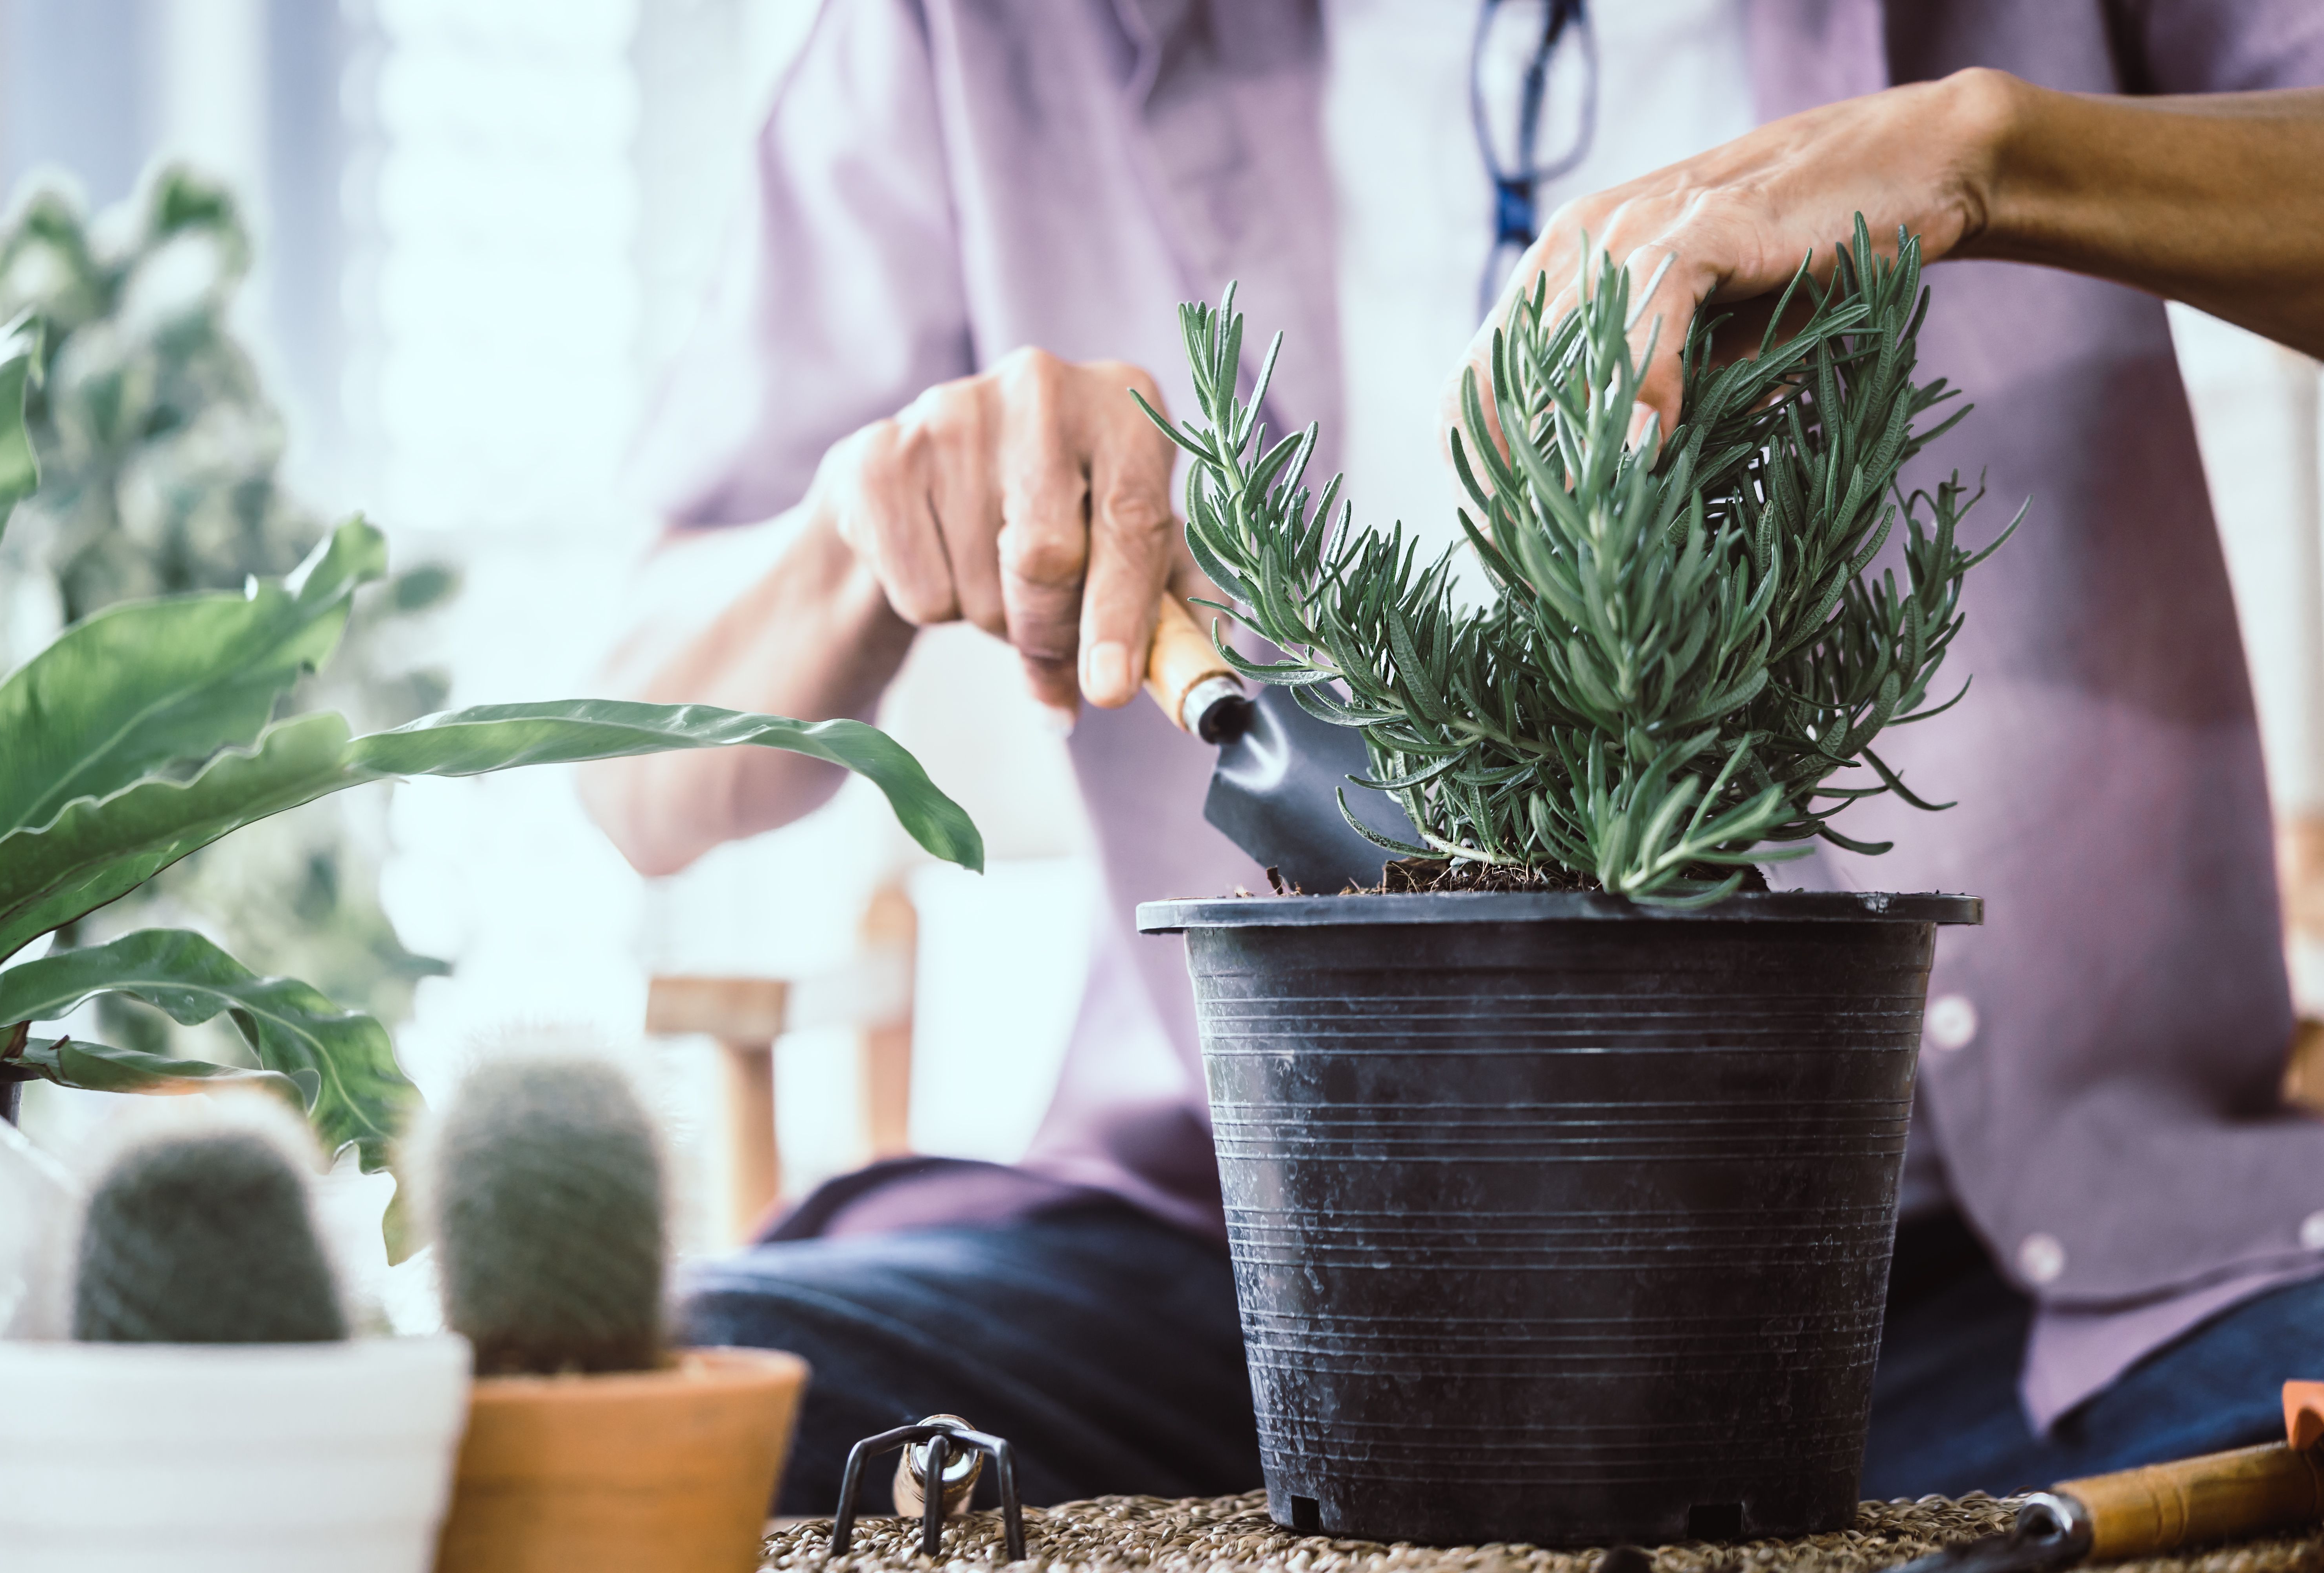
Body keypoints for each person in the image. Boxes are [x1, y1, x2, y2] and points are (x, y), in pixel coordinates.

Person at [580, 0, 2324, 1513]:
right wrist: (856, 524)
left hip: (1984, 1287)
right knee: (700, 1405)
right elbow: (638, 777)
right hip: (1249, 1257)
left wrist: (1995, 153)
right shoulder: (982, 35)